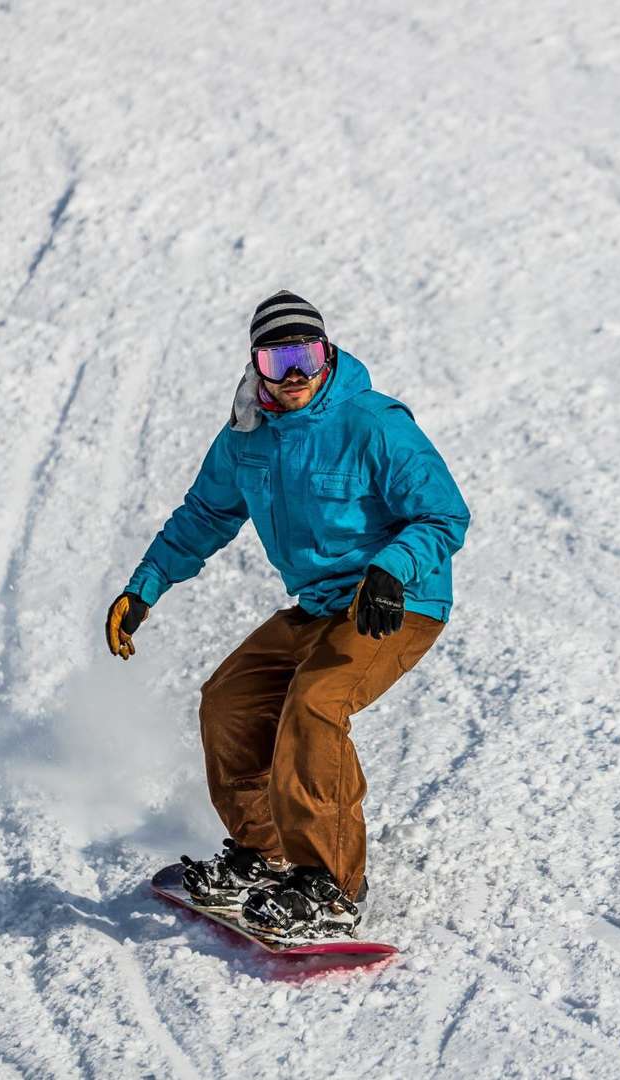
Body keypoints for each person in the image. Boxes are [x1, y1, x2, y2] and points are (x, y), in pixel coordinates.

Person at [105, 290, 470, 939]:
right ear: (256, 367)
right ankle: (267, 852)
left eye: (305, 355)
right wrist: (145, 587)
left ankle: (329, 883)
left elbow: (444, 513)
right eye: (279, 360)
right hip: (320, 605)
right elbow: (205, 516)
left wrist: (391, 569)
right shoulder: (248, 437)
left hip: (397, 602)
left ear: (326, 355)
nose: (295, 373)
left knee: (317, 702)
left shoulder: (371, 422)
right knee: (230, 700)